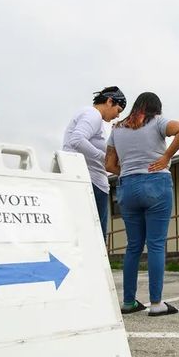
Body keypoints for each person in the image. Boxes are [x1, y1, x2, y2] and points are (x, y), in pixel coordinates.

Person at [104, 92, 179, 317]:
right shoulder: (158, 122)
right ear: (155, 108)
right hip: (156, 183)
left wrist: (130, 170)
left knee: (133, 246)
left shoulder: (117, 129)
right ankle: (156, 303)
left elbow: (109, 164)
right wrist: (166, 157)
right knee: (156, 245)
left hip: (127, 187)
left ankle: (129, 301)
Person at [62, 86, 127, 243]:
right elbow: (77, 139)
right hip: (90, 182)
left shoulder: (88, 115)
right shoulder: (93, 115)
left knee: (85, 235)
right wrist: (102, 157)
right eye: (118, 110)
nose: (117, 116)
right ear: (109, 101)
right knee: (95, 239)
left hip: (85, 179)